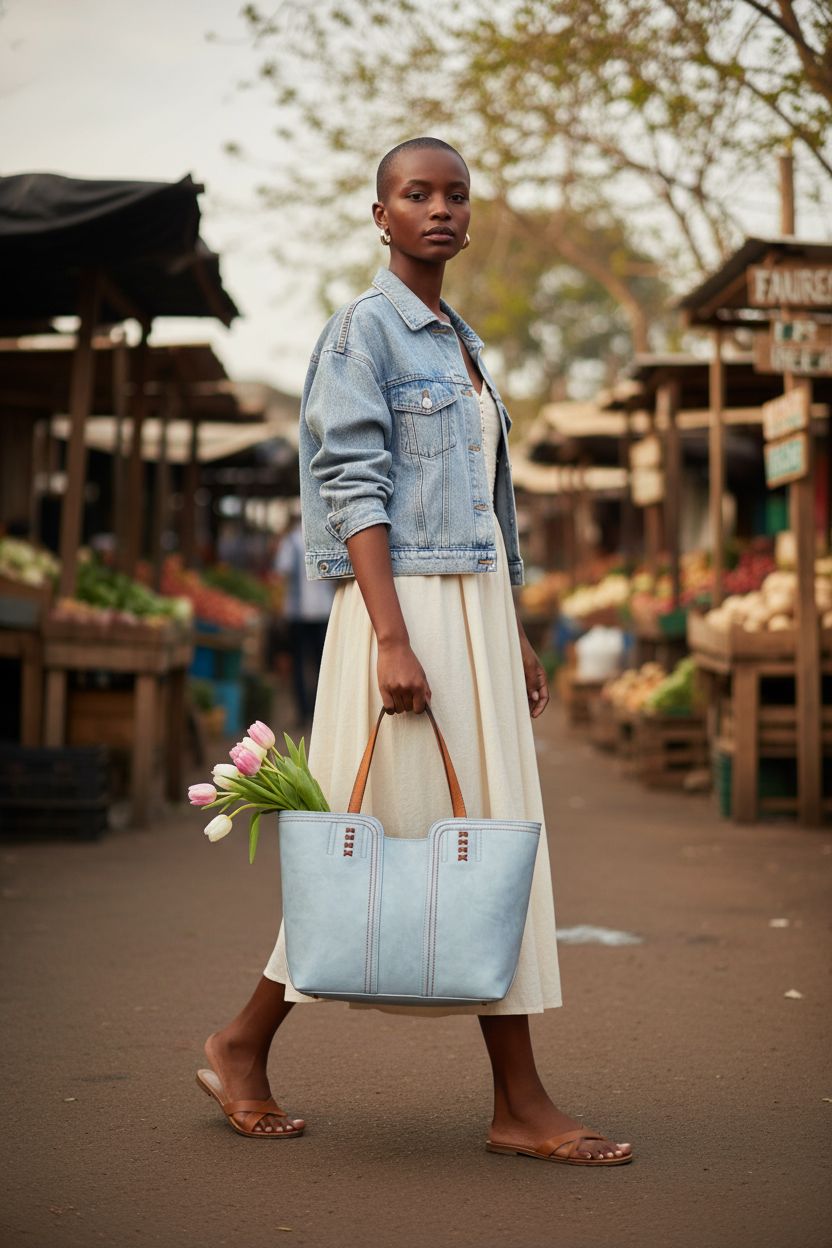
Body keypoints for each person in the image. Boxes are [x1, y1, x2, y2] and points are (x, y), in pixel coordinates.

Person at [197, 138, 633, 1166]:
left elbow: (489, 509)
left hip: (472, 613)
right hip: (404, 616)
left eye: (454, 196)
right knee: (387, 833)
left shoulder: (465, 346)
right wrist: (392, 636)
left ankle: (247, 1041)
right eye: (415, 194)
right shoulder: (366, 334)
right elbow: (352, 488)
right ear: (380, 214)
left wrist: (513, 628)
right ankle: (500, 1097)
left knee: (481, 838)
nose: (439, 210)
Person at [274, 503, 335, 726]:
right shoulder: (323, 536)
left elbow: (281, 572)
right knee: (324, 663)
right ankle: (324, 712)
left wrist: (279, 607)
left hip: (298, 613)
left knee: (299, 664)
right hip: (323, 611)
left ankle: (304, 712)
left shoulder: (290, 541)